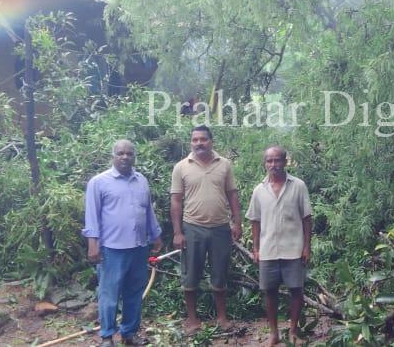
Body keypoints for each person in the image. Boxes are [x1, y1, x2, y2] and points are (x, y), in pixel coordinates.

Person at [82, 139, 163, 347]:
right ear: (113, 156)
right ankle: (107, 336)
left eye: (129, 153)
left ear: (134, 156)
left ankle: (129, 334)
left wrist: (156, 235)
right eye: (120, 153)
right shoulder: (99, 182)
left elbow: (148, 211)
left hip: (138, 247)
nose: (125, 157)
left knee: (134, 293)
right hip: (112, 249)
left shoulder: (141, 180)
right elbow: (92, 216)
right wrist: (93, 244)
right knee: (109, 294)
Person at [170, 125, 242, 334]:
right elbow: (176, 200)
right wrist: (177, 232)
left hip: (220, 228)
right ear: (191, 142)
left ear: (211, 141)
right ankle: (193, 320)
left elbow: (232, 194)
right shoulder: (181, 167)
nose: (199, 143)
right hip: (193, 227)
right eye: (195, 140)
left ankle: (222, 318)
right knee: (191, 275)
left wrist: (237, 222)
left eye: (203, 139)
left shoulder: (224, 164)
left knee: (220, 273)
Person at [246, 145, 313, 346]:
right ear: (265, 163)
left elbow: (307, 218)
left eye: (277, 160)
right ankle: (274, 333)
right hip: (268, 250)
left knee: (296, 290)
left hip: (294, 249)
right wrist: (256, 248)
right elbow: (255, 220)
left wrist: (307, 246)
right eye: (269, 160)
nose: (273, 164)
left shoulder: (298, 186)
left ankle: (293, 331)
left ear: (285, 161)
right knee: (269, 291)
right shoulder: (259, 190)